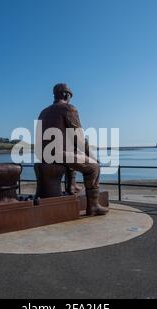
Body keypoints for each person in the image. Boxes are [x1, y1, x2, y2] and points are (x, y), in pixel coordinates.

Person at [37, 83, 108, 216]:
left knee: (74, 152)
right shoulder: (68, 109)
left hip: (44, 154)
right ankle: (93, 206)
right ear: (66, 94)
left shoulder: (43, 112)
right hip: (58, 154)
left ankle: (71, 185)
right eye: (70, 96)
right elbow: (79, 138)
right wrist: (92, 156)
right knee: (94, 168)